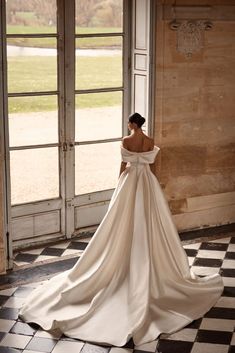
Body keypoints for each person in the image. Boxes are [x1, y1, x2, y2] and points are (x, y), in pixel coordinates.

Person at [19, 112, 224, 347]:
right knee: (148, 221)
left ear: (133, 123)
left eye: (129, 122)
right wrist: (154, 186)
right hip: (146, 183)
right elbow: (153, 168)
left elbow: (123, 165)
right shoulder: (149, 141)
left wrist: (120, 183)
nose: (128, 125)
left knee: (119, 220)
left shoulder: (127, 141)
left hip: (130, 181)